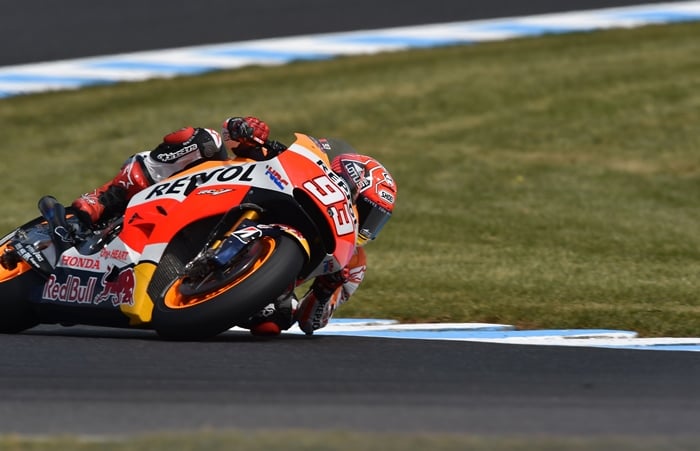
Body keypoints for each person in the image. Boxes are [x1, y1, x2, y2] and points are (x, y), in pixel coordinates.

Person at [71, 116, 397, 336]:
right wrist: (248, 133)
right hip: (209, 193)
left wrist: (327, 290)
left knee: (274, 321)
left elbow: (312, 323)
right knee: (202, 140)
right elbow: (233, 131)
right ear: (348, 183)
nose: (365, 225)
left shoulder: (352, 260)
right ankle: (103, 199)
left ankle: (199, 291)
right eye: (366, 211)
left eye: (375, 220)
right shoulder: (291, 163)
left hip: (248, 281)